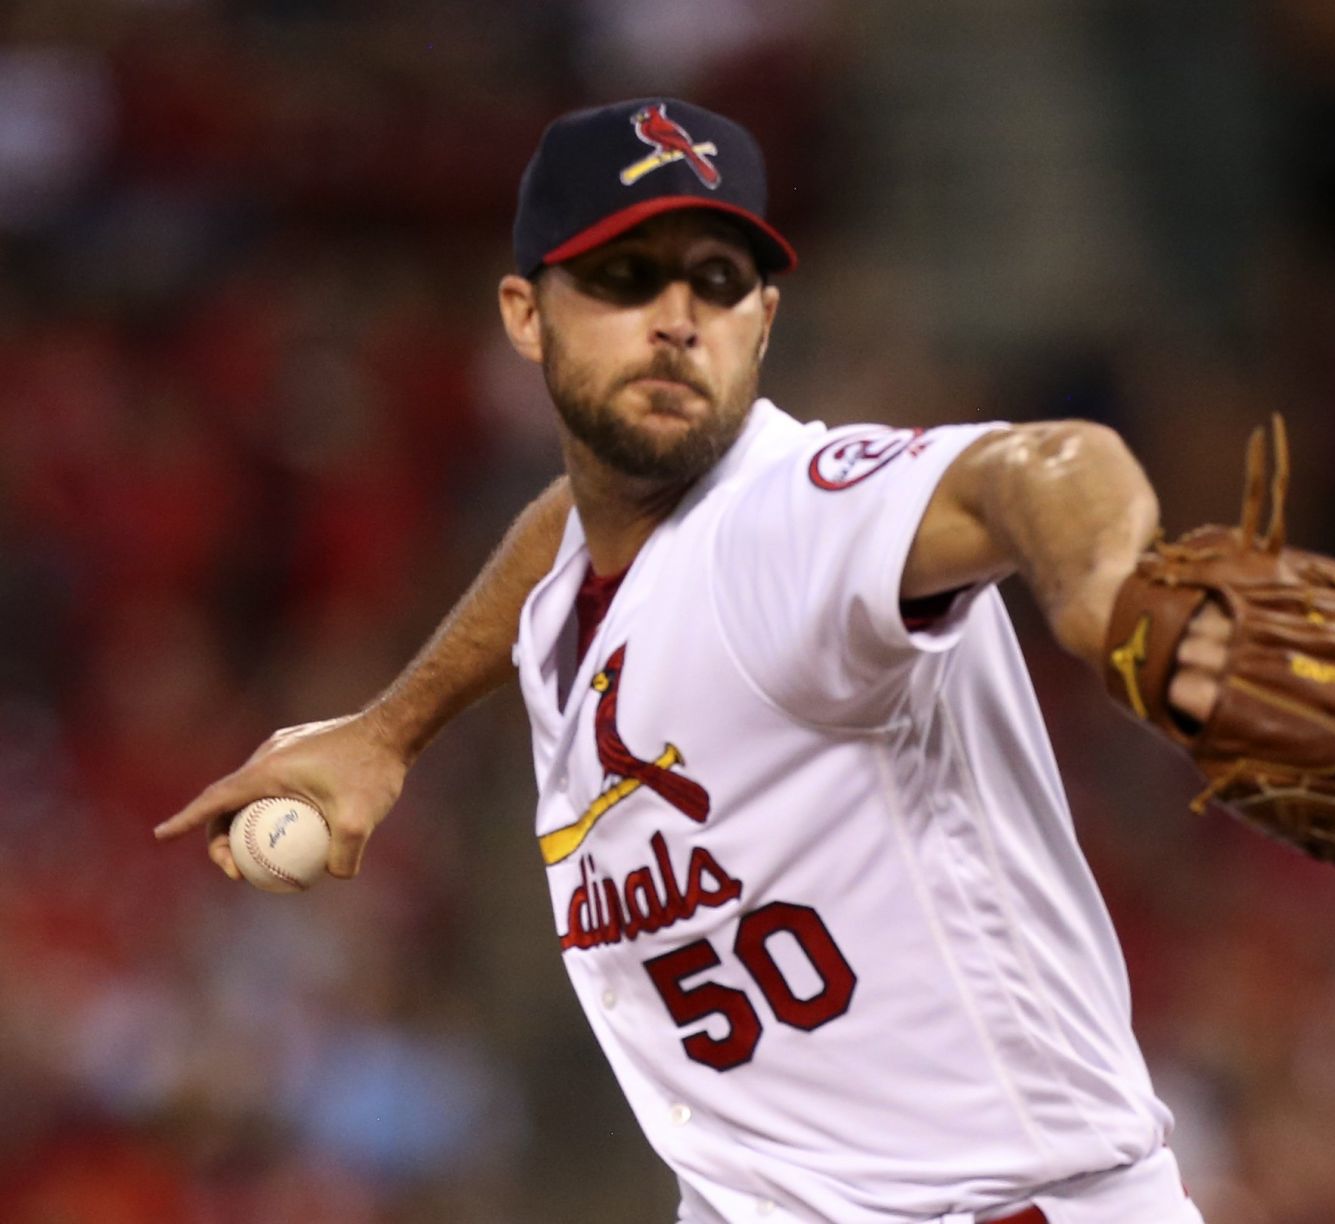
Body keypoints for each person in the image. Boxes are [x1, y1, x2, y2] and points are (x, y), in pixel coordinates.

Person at [156, 98, 1229, 1224]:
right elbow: (568, 530)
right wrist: (388, 731)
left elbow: (1043, 469)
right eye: (624, 277)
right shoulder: (590, 560)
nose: (678, 319)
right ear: (526, 315)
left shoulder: (794, 522)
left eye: (718, 282)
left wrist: (1105, 594)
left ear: (764, 320)